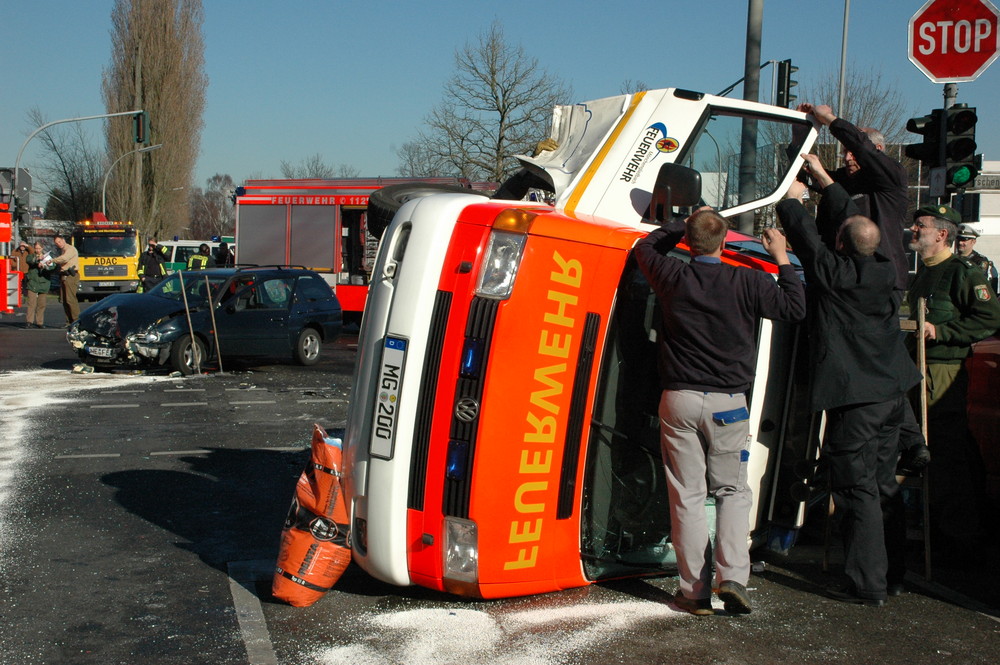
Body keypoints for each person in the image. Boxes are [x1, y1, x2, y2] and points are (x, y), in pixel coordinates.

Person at [633, 208, 806, 615]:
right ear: (726, 240)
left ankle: (693, 593)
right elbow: (795, 307)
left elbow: (647, 244)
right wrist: (781, 256)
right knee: (731, 490)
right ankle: (733, 578)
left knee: (687, 497)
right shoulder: (747, 280)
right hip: (729, 403)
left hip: (678, 399)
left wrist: (685, 222)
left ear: (689, 242)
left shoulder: (673, 276)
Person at [777, 155, 923, 606]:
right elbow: (854, 227)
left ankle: (867, 583)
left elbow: (803, 235)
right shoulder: (882, 269)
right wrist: (824, 183)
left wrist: (791, 197)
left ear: (839, 245)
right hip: (891, 397)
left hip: (857, 401)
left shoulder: (834, 274)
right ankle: (893, 574)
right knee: (883, 487)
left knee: (857, 490)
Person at [907, 204, 1000, 559]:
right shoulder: (924, 272)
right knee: (923, 451)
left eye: (920, 226)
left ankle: (957, 538)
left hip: (943, 372)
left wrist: (942, 331)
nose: (914, 230)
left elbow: (990, 317)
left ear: (942, 234)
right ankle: (934, 526)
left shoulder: (962, 272)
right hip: (920, 367)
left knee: (946, 454)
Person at [794, 103, 909, 292]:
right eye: (845, 152)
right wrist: (800, 136)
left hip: (880, 282)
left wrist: (830, 119)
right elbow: (801, 173)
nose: (847, 158)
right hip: (843, 277)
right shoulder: (845, 180)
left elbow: (863, 147)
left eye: (852, 153)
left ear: (878, 149)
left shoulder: (892, 177)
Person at [954, 223, 998, 294]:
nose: (960, 242)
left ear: (973, 241)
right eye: (958, 239)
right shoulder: (952, 259)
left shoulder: (980, 261)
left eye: (964, 240)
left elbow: (978, 284)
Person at [48, 234, 80, 326]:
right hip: (63, 275)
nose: (58, 244)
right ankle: (69, 321)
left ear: (63, 240)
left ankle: (76, 321)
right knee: (64, 300)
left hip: (70, 275)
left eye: (59, 241)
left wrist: (53, 260)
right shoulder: (63, 250)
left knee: (70, 299)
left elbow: (64, 259)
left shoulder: (70, 249)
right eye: (56, 243)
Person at [23, 242, 55, 328]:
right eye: (36, 248)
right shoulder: (31, 256)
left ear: (42, 248)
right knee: (31, 303)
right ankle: (29, 321)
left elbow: (53, 266)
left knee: (41, 304)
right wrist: (37, 260)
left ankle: (40, 322)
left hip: (44, 282)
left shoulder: (48, 257)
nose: (37, 250)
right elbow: (29, 261)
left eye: (39, 248)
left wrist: (46, 265)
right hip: (33, 282)